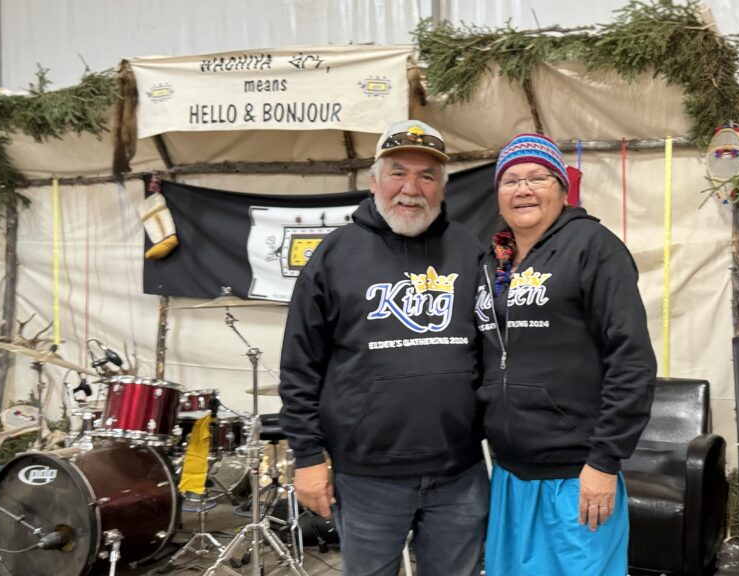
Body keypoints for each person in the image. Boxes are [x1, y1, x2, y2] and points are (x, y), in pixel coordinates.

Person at [280, 120, 489, 576]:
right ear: (374, 180)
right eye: (397, 172)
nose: (411, 188)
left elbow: (495, 349)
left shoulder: (470, 250)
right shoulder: (335, 255)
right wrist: (308, 459)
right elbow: (299, 367)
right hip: (366, 477)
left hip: (460, 474)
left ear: (442, 187)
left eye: (427, 176)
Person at [475, 133, 658, 575]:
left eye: (537, 177)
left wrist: (603, 461)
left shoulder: (594, 248)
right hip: (511, 474)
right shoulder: (491, 261)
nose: (523, 189)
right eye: (510, 180)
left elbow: (631, 360)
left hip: (576, 476)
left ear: (561, 186)